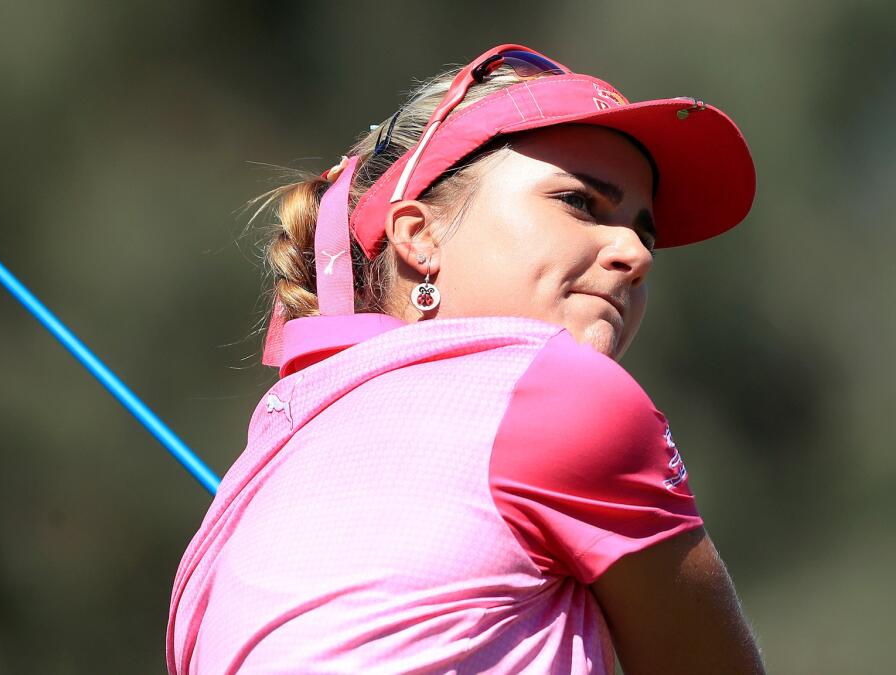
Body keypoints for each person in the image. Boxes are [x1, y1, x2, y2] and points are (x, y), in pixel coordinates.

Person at [168, 44, 766, 674]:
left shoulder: (251, 480)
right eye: (580, 203)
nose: (636, 254)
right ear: (419, 235)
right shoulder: (558, 390)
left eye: (643, 232)